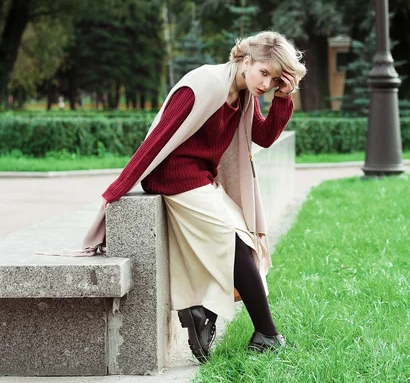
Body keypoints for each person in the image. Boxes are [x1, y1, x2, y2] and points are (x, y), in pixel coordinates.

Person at [82, 31, 306, 362]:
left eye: (274, 80)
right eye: (264, 73)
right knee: (233, 242)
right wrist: (116, 190)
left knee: (247, 241)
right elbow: (159, 137)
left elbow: (264, 136)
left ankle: (205, 313)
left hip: (200, 178)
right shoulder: (205, 83)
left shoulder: (242, 93)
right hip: (173, 176)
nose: (266, 83)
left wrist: (283, 98)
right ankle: (265, 334)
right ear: (246, 60)